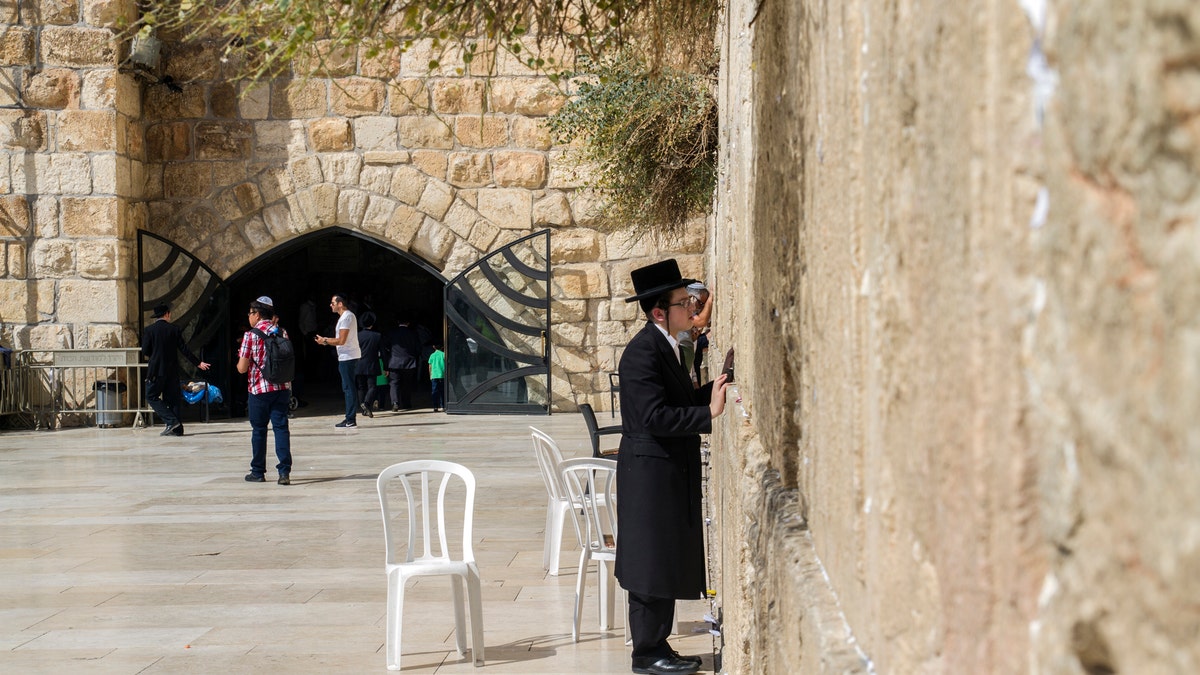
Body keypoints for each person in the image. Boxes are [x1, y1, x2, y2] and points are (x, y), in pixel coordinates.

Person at [614, 259, 730, 675]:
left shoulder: (667, 346)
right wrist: (709, 414)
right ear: (659, 311)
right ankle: (646, 654)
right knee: (649, 563)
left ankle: (659, 644)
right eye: (684, 302)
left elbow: (676, 403)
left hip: (664, 470)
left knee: (661, 557)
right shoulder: (641, 353)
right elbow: (653, 418)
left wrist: (710, 392)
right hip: (648, 473)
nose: (692, 309)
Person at [236, 298, 292, 484]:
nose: (249, 317)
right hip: (282, 387)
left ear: (257, 314)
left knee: (259, 430)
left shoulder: (250, 335)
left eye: (250, 313)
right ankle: (284, 472)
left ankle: (258, 471)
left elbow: (242, 368)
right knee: (281, 428)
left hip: (259, 390)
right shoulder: (282, 331)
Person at [141, 303, 211, 436]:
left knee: (151, 396)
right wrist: (198, 363)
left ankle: (171, 421)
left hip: (156, 370)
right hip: (172, 370)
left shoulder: (149, 330)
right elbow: (184, 349)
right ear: (167, 314)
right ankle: (178, 430)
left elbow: (145, 350)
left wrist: (155, 355)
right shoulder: (174, 329)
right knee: (173, 399)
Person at [315, 294, 360, 428]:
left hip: (348, 356)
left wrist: (325, 340)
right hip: (345, 355)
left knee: (349, 387)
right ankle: (349, 417)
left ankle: (350, 418)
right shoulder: (345, 317)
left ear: (340, 304)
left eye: (333, 303)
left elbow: (341, 340)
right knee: (347, 387)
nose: (331, 305)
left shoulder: (347, 317)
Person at [383, 314, 423, 411]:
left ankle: (395, 402)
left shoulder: (392, 333)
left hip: (394, 362)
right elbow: (418, 348)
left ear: (398, 322)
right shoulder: (413, 333)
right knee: (407, 384)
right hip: (409, 362)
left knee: (394, 383)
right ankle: (406, 403)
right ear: (408, 323)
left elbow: (385, 346)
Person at [355, 311, 383, 418]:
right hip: (372, 364)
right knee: (372, 386)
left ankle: (363, 409)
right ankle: (366, 404)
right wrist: (385, 366)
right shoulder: (377, 336)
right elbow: (383, 353)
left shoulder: (357, 336)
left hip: (359, 364)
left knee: (361, 387)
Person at [428, 342, 446, 412]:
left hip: (434, 376)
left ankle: (435, 406)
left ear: (433, 347)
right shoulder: (444, 354)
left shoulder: (432, 355)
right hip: (442, 375)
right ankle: (443, 406)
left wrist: (430, 375)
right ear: (442, 347)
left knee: (434, 391)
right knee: (442, 391)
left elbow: (430, 366)